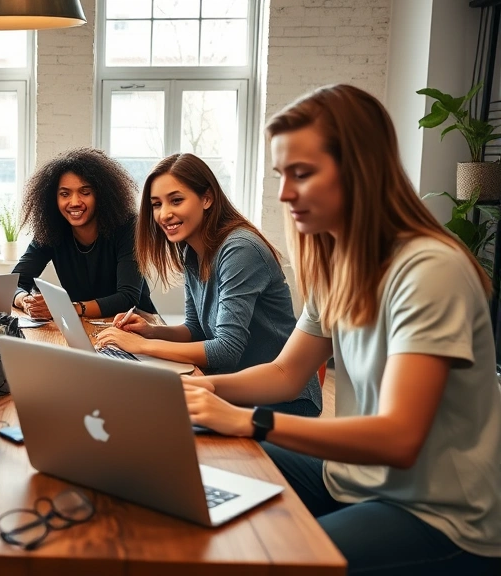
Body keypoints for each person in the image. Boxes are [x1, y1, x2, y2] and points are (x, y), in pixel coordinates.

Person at [182, 84, 501, 574]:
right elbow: (287, 373)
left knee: (265, 558)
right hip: (360, 479)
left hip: (439, 514)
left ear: (360, 170)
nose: (285, 193)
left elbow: (400, 437)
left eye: (302, 174)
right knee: (204, 444)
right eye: (281, 175)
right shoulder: (340, 264)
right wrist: (201, 389)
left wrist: (252, 420)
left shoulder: (428, 269)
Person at [96, 153, 321, 417]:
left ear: (207, 198)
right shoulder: (191, 252)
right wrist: (150, 332)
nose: (164, 214)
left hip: (281, 402)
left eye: (176, 200)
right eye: (156, 204)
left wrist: (140, 346)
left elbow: (226, 349)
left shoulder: (240, 249)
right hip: (233, 390)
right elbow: (195, 328)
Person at [11, 148, 156, 320]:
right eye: (65, 194)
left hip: (136, 324)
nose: (74, 202)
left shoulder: (128, 227)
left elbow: (127, 298)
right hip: (82, 324)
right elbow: (13, 283)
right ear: (53, 199)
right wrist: (26, 301)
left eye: (85, 192)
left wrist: (64, 307)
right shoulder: (51, 230)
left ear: (101, 195)